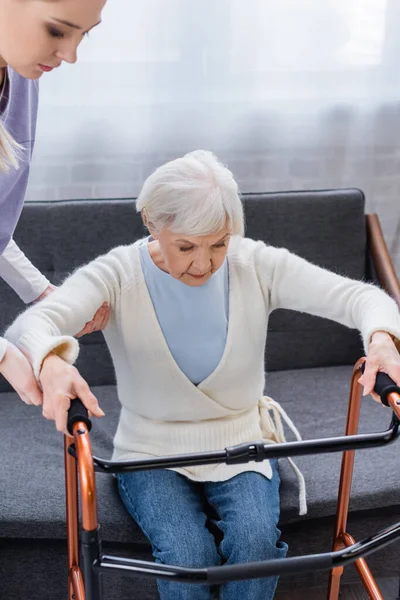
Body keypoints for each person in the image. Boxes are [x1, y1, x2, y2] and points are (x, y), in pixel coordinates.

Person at [6, 150, 400, 600]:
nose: (204, 263)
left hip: (241, 438)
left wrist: (383, 340)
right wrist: (52, 361)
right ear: (152, 223)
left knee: (255, 545)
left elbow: (361, 298)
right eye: (186, 247)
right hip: (148, 448)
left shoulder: (255, 263)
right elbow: (31, 326)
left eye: (218, 244)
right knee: (186, 556)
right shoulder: (116, 273)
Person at [0, 0, 109, 408]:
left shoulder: (21, 76)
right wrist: (7, 354)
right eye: (57, 31)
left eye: (85, 34)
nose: (71, 55)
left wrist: (43, 293)